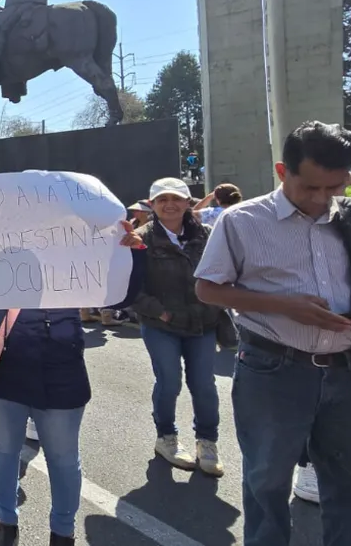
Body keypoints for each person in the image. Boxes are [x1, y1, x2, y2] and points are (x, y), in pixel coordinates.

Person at [195, 121, 351, 546]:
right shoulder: (241, 221)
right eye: (309, 187)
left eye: (332, 188)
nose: (320, 200)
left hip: (348, 370)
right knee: (267, 484)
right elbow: (206, 287)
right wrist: (285, 305)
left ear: (348, 177)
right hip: (273, 369)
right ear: (282, 171)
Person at [0, 222, 147, 546]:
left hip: (60, 373)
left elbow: (121, 295)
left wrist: (134, 255)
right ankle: (6, 524)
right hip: (4, 371)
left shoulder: (72, 251)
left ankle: (62, 533)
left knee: (64, 458)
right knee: (3, 450)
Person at [132, 178, 226, 477]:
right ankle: (166, 437)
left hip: (203, 323)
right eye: (162, 200)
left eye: (176, 198)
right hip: (162, 325)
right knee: (169, 382)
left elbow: (223, 273)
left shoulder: (208, 235)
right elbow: (130, 289)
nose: (169, 204)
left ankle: (207, 442)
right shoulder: (139, 239)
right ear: (152, 206)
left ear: (188, 202)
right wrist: (161, 314)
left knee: (204, 385)